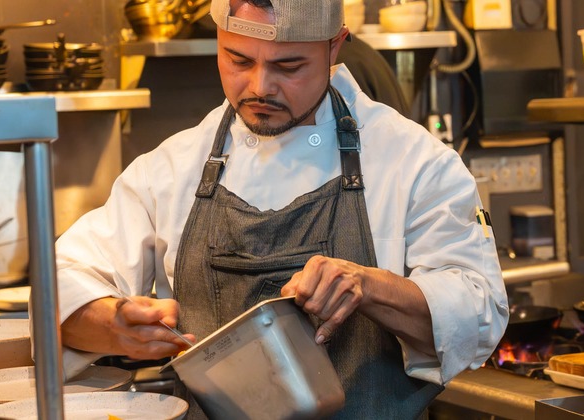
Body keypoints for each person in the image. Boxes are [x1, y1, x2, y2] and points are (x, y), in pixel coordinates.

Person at [54, 0, 508, 418]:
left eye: (288, 66)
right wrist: (114, 325)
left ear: (335, 47)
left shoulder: (414, 162)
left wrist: (370, 286)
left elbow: (478, 312)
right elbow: (61, 283)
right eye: (238, 60)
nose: (259, 86)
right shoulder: (172, 167)